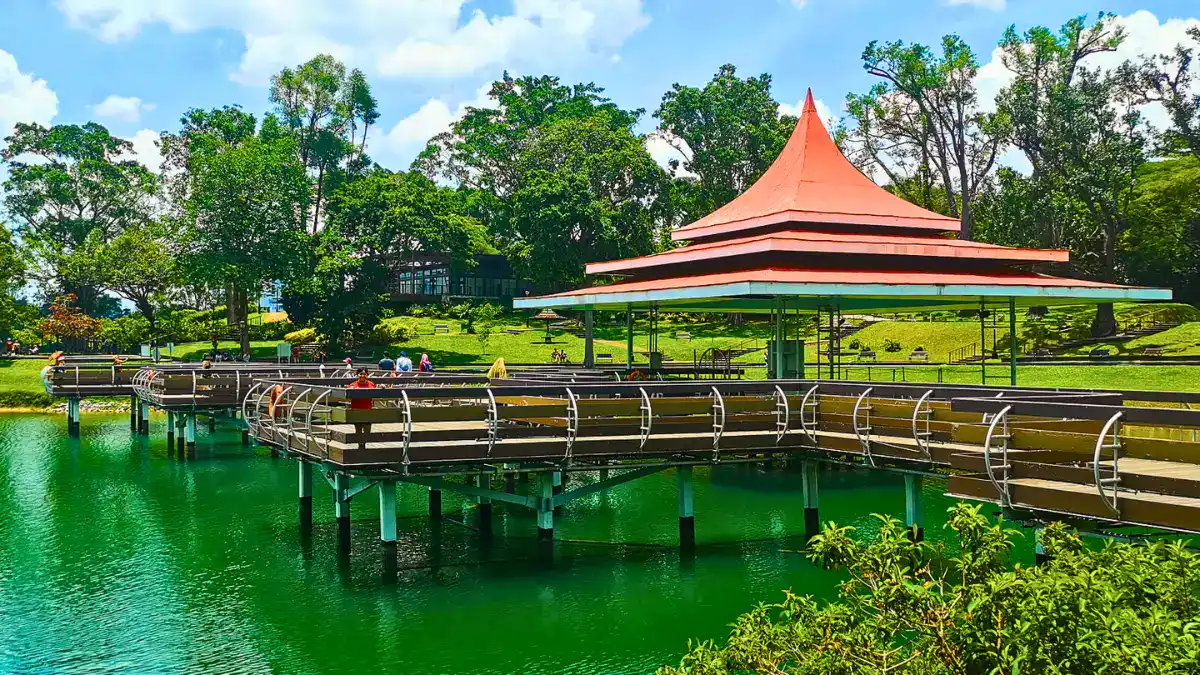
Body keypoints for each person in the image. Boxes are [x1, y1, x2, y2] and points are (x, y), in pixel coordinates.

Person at [346, 368, 376, 450]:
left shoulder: (371, 384)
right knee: (358, 429)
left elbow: (377, 392)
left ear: (367, 375)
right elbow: (347, 396)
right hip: (356, 410)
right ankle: (360, 446)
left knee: (367, 429)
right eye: (361, 374)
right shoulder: (353, 385)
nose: (362, 376)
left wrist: (382, 387)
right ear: (357, 375)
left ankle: (364, 443)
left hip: (368, 410)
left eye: (364, 374)